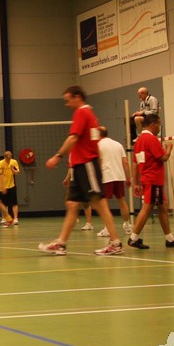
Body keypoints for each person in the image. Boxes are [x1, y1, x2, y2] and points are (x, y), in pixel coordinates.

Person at [40, 86, 124, 256]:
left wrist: (57, 156)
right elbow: (92, 142)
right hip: (79, 167)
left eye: (68, 100)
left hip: (87, 165)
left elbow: (73, 137)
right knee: (72, 204)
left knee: (99, 203)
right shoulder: (90, 115)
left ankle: (115, 243)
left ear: (77, 97)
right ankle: (61, 243)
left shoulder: (82, 113)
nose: (66, 104)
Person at [126, 113, 174, 250]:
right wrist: (169, 148)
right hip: (153, 179)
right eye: (159, 124)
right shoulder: (151, 139)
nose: (159, 128)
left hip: (147, 179)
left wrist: (136, 183)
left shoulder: (139, 141)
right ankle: (133, 238)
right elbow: (163, 157)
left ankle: (170, 239)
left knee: (163, 207)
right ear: (152, 124)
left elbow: (135, 164)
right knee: (147, 208)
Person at [94, 126, 133, 238]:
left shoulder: (98, 145)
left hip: (106, 177)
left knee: (104, 204)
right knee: (122, 201)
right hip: (119, 176)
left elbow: (99, 162)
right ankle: (127, 225)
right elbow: (125, 162)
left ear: (99, 134)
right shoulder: (118, 144)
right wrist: (128, 178)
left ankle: (107, 229)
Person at [0, 149, 21, 225]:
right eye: (7, 159)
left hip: (11, 186)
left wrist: (12, 169)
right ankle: (4, 218)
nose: (8, 160)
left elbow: (17, 172)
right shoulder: (0, 163)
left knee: (14, 203)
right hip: (3, 187)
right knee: (4, 204)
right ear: (4, 157)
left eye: (9, 159)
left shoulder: (14, 162)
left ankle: (15, 218)